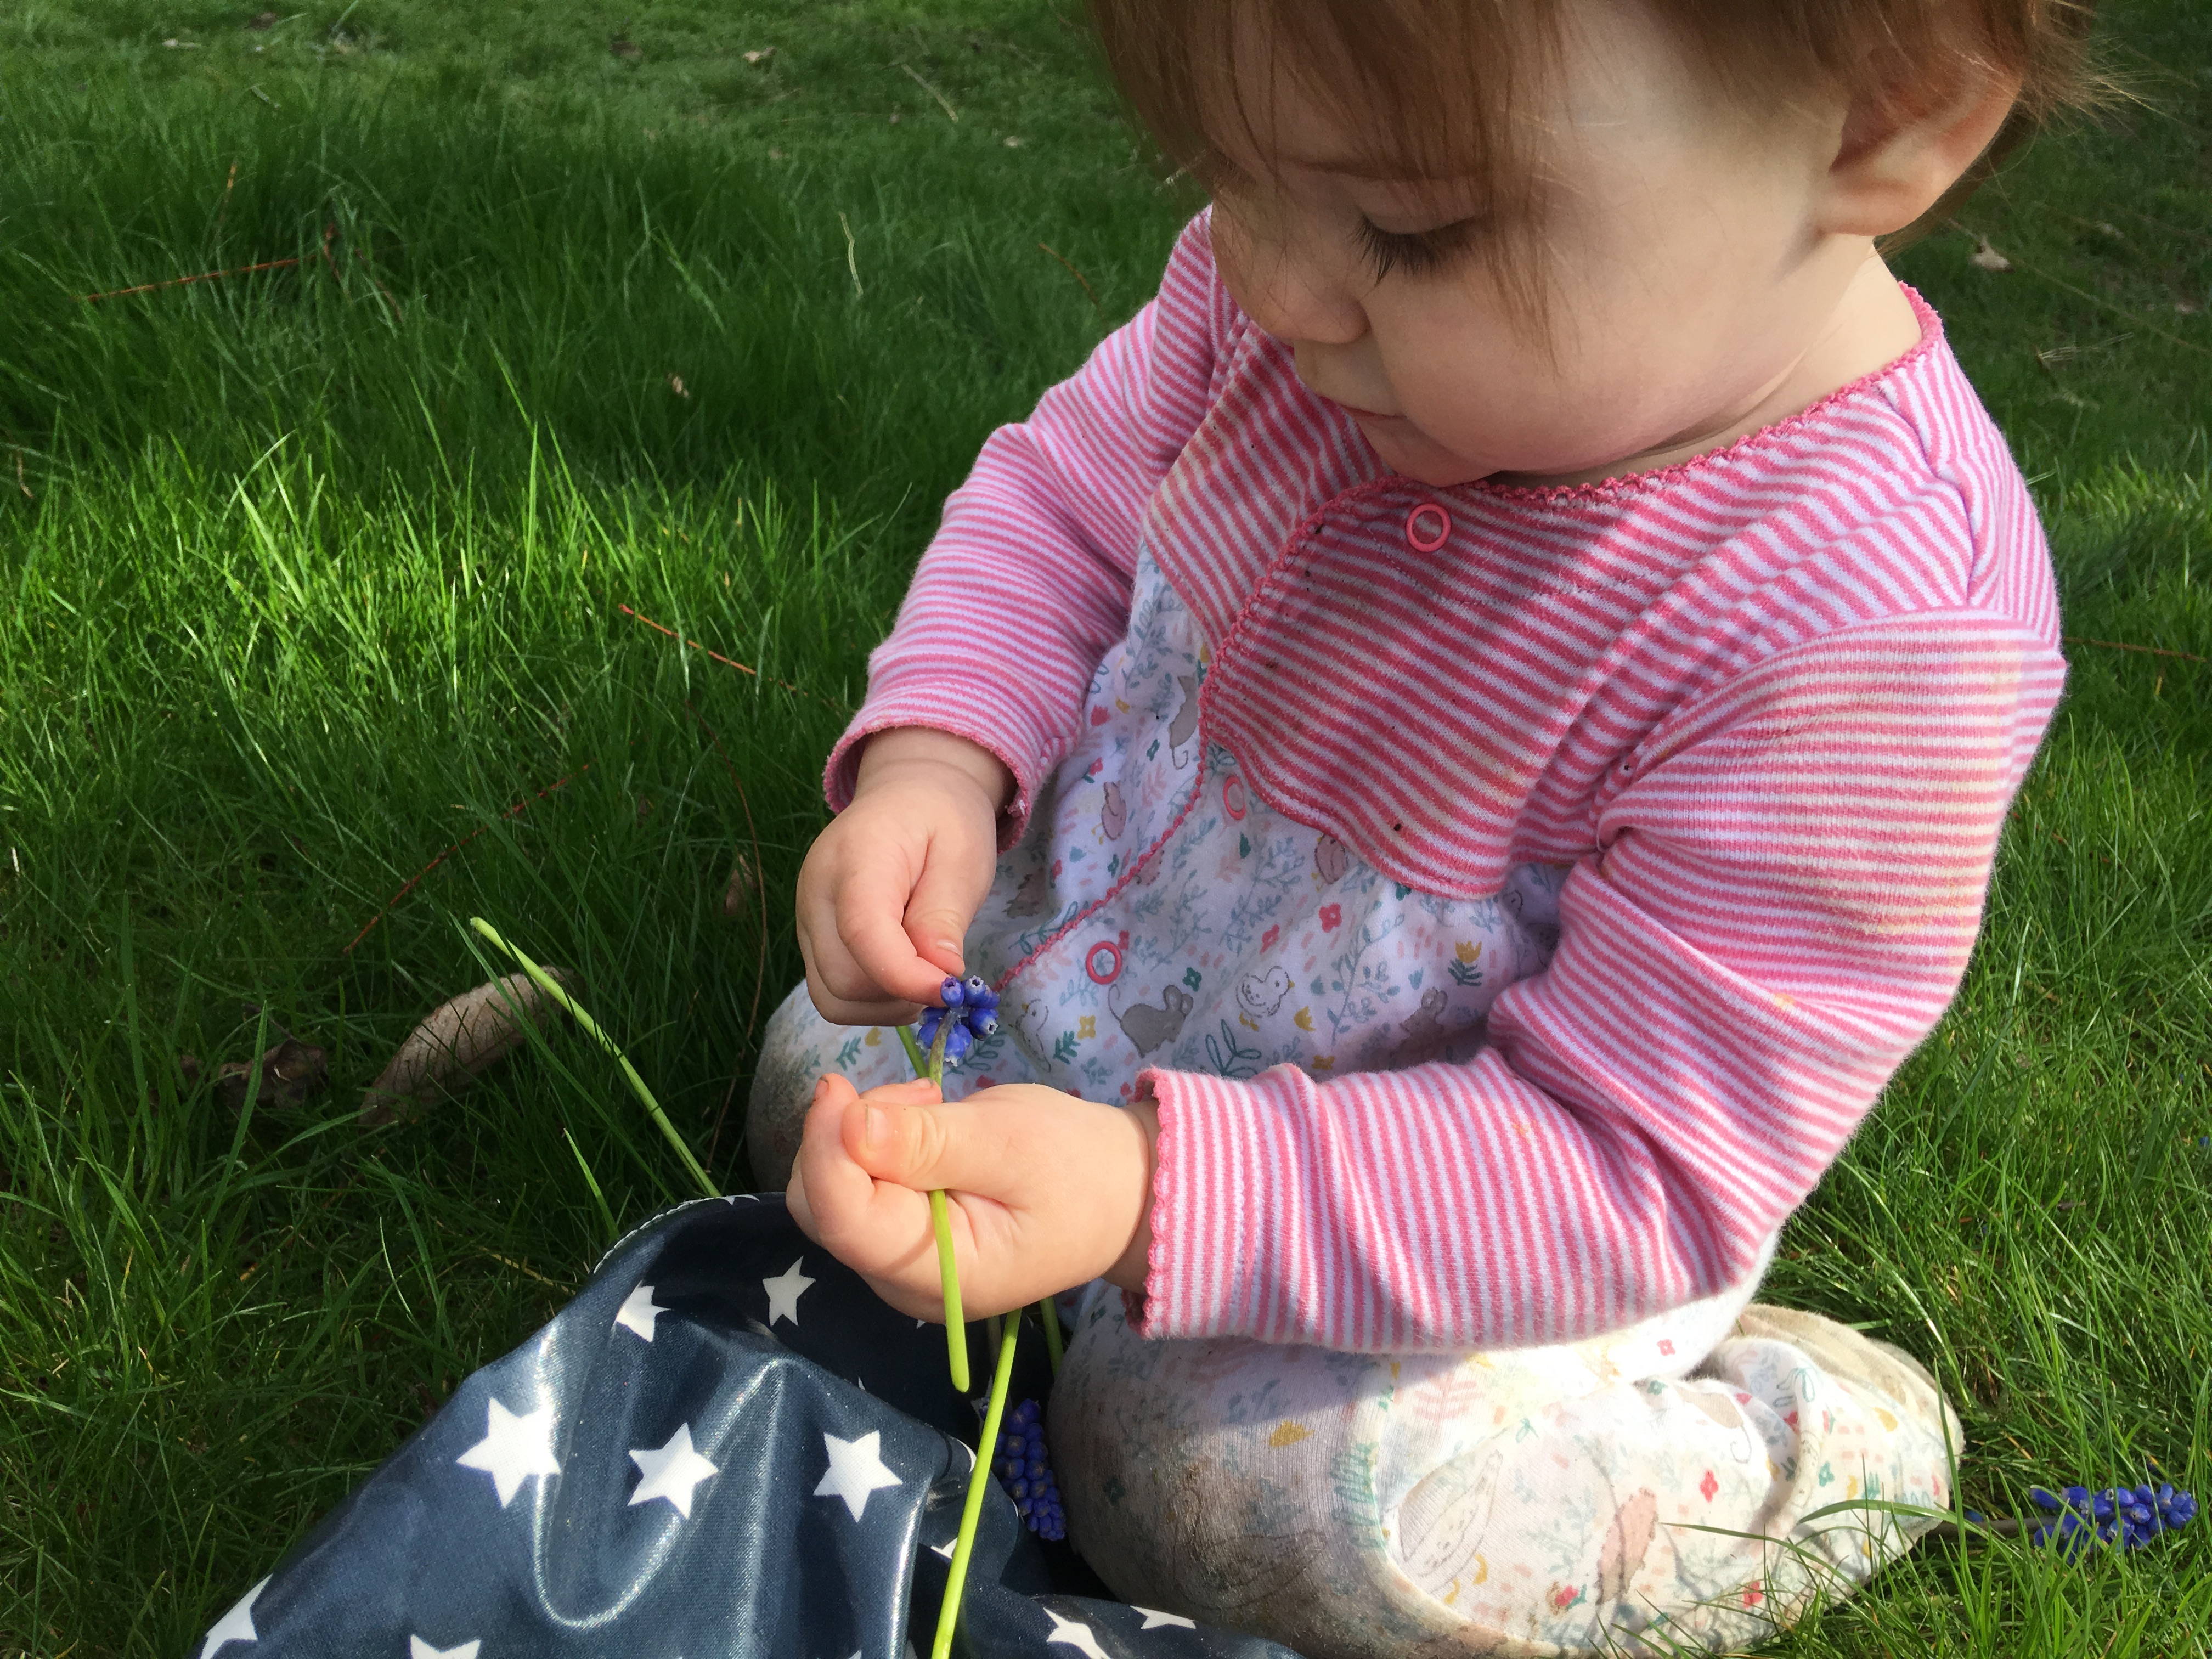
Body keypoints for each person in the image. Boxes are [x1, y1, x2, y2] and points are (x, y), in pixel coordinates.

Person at [748, 0, 2093, 1649]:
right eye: (1233, 172)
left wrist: (1157, 1192)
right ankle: (1070, 1281)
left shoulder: (1871, 635)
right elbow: (1065, 496)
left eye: (1409, 227)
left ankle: (1806, 1448)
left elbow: (1627, 1161)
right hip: (1113, 1000)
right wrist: (941, 761)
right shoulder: (1307, 303)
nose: (1273, 287)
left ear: (1885, 121)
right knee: (822, 1071)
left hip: (1463, 1221)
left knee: (1226, 1493)